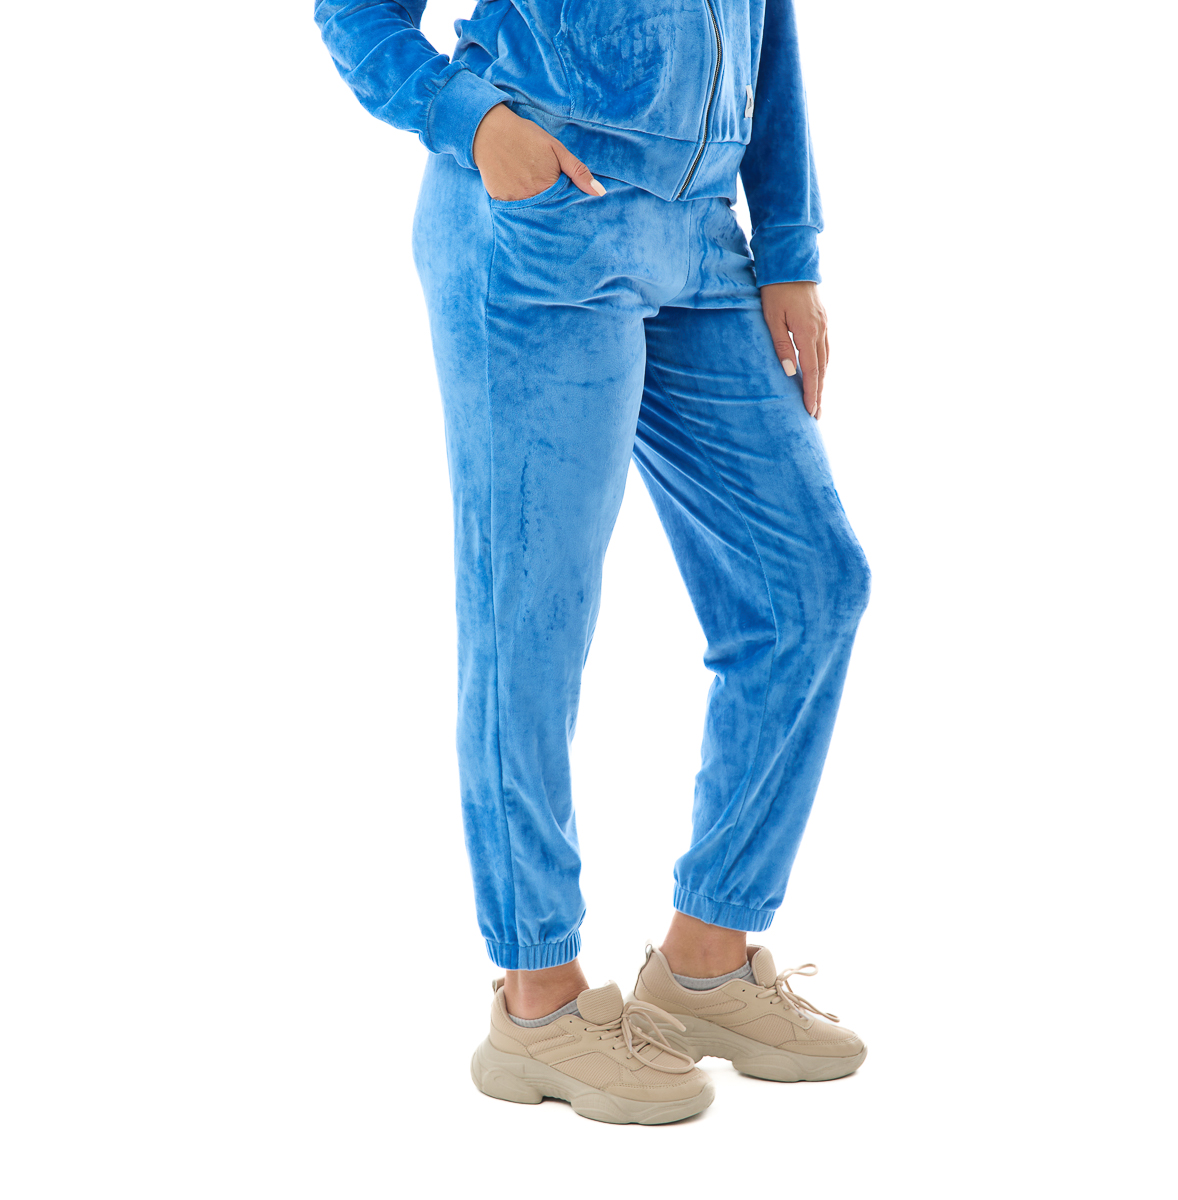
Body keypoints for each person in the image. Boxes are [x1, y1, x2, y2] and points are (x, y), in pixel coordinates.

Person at [315, 0, 872, 1124]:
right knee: (531, 615)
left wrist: (789, 245)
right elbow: (355, 12)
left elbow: (769, 21)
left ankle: (705, 961)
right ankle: (539, 1002)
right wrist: (473, 123)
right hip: (543, 220)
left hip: (701, 234)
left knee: (811, 586)